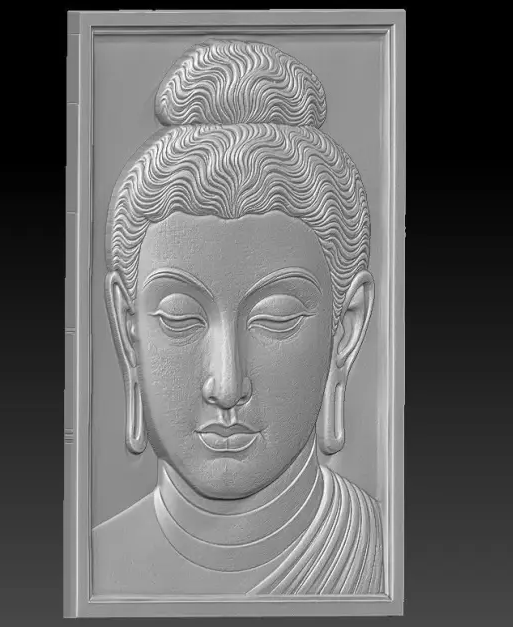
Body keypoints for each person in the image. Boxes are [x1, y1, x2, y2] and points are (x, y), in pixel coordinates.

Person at [94, 38, 382, 596]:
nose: (226, 386)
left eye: (275, 318)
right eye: (179, 318)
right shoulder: (90, 566)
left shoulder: (386, 554)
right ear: (128, 331)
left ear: (345, 329)